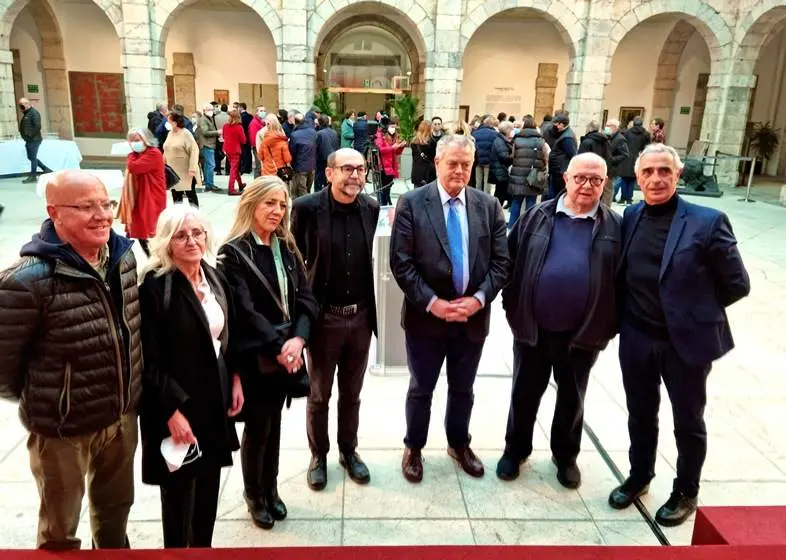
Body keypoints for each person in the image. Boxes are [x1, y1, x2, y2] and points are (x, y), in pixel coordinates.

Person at [609, 143, 750, 527]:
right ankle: (640, 475)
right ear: (637, 178)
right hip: (637, 337)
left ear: (678, 175)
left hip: (683, 344)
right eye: (648, 172)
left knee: (688, 420)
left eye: (664, 172)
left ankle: (686, 489)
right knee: (640, 414)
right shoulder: (632, 215)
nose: (656, 179)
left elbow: (737, 284)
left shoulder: (708, 221)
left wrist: (690, 313)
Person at [0, 170, 141, 549]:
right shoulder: (25, 281)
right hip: (64, 430)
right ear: (54, 213)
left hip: (121, 416)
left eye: (106, 203)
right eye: (86, 206)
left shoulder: (123, 258)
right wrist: (55, 398)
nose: (102, 215)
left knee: (115, 512)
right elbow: (4, 369)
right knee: (59, 529)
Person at [389, 135, 509, 483]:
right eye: (452, 163)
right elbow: (402, 262)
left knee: (463, 388)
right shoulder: (412, 203)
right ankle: (414, 446)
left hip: (471, 318)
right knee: (421, 388)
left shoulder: (488, 206)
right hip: (425, 319)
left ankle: (459, 443)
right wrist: (433, 303)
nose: (459, 170)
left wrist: (478, 299)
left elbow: (501, 263)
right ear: (438, 162)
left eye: (465, 164)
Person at [498, 153, 621, 486]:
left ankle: (565, 456)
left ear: (604, 183)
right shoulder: (536, 216)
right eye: (580, 177)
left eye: (595, 180)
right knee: (524, 392)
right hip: (532, 328)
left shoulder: (616, 227)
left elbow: (623, 283)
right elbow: (507, 263)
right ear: (566, 178)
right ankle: (515, 449)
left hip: (583, 334)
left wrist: (608, 324)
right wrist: (512, 307)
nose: (586, 185)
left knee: (572, 397)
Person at [139, 205, 244, 548]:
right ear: (166, 242)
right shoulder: (157, 287)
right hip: (178, 404)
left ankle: (203, 551)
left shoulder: (213, 276)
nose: (191, 241)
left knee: (208, 489)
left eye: (197, 233)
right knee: (180, 495)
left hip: (213, 401)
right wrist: (171, 412)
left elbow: (228, 336)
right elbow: (150, 360)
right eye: (181, 235)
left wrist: (236, 379)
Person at [218, 177, 318, 530]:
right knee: (258, 429)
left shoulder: (286, 247)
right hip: (257, 356)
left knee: (274, 426)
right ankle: (255, 495)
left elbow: (306, 299)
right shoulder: (232, 253)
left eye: (282, 205)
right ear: (251, 204)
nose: (277, 211)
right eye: (269, 204)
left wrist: (299, 341)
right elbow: (244, 312)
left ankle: (272, 489)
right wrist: (279, 348)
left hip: (287, 352)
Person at [291, 147, 380, 492]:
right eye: (347, 169)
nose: (355, 176)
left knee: (352, 394)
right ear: (329, 173)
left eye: (360, 169)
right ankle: (319, 455)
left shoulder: (371, 209)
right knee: (319, 395)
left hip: (360, 318)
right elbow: (295, 264)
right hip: (323, 319)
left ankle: (349, 451)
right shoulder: (306, 209)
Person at [121, 127, 166, 257]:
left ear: (146, 139)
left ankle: (156, 260)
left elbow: (134, 167)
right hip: (138, 196)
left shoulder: (153, 153)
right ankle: (152, 259)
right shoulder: (138, 155)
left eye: (137, 140)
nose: (134, 143)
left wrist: (130, 155)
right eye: (131, 140)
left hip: (151, 197)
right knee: (138, 230)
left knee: (147, 230)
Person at [508, 115, 549, 228]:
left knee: (516, 202)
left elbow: (512, 156)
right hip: (534, 176)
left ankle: (512, 227)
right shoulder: (540, 141)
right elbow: (545, 158)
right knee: (531, 203)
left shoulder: (517, 139)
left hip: (518, 176)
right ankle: (527, 227)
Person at [164, 112, 201, 207]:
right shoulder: (170, 134)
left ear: (175, 123)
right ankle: (178, 218)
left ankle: (194, 216)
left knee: (190, 194)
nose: (167, 123)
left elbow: (194, 150)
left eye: (169, 121)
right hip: (173, 171)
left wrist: (192, 168)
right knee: (176, 196)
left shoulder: (186, 133)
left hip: (186, 171)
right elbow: (166, 149)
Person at [616, 117, 651, 205]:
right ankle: (629, 198)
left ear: (634, 123)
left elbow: (622, 144)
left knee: (624, 179)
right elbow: (647, 147)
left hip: (626, 157)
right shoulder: (646, 134)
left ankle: (623, 197)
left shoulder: (627, 133)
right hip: (637, 157)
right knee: (632, 179)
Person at [18, 98, 51, 183]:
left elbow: (37, 126)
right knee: (31, 157)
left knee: (32, 158)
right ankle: (46, 169)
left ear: (28, 104)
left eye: (22, 104)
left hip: (34, 140)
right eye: (20, 104)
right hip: (29, 140)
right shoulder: (27, 113)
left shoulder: (34, 113)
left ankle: (33, 176)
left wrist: (29, 136)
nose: (21, 106)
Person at [546, 113, 577, 201]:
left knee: (558, 193)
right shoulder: (564, 134)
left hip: (560, 170)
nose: (554, 125)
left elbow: (571, 154)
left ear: (561, 124)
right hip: (558, 169)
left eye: (556, 123)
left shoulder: (567, 138)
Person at [375, 119, 406, 206]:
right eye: (392, 127)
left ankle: (387, 203)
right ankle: (383, 205)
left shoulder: (395, 136)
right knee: (383, 188)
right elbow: (380, 149)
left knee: (388, 188)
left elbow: (396, 152)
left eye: (395, 127)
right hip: (383, 166)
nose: (393, 129)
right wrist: (393, 147)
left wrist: (401, 147)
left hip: (391, 166)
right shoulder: (380, 135)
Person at [289, 111, 318, 199]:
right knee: (308, 189)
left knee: (302, 191)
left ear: (295, 122)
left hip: (300, 167)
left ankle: (306, 210)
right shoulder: (313, 132)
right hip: (312, 165)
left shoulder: (294, 135)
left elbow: (292, 151)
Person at [196, 103, 222, 193]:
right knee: (211, 165)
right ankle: (210, 185)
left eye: (212, 109)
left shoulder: (208, 118)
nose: (211, 111)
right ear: (204, 110)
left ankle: (208, 184)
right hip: (207, 145)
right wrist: (217, 132)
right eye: (209, 109)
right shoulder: (203, 119)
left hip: (209, 144)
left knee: (207, 166)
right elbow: (205, 132)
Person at [604, 119, 630, 206]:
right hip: (604, 167)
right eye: (606, 125)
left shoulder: (620, 139)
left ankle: (606, 209)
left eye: (608, 126)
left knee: (608, 190)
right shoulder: (607, 136)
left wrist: (611, 159)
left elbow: (625, 154)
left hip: (611, 169)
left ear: (614, 127)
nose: (606, 127)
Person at [471, 115, 498, 194]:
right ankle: (486, 200)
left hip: (477, 161)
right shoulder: (495, 134)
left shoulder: (475, 133)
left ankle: (476, 199)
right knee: (487, 184)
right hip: (489, 162)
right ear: (491, 124)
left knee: (478, 183)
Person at [222, 109, 247, 196]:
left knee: (234, 169)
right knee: (233, 170)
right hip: (235, 150)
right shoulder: (239, 127)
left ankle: (240, 184)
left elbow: (224, 136)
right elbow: (243, 141)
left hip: (227, 149)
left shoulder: (225, 126)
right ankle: (231, 189)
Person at [490, 121, 514, 208]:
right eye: (511, 129)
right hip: (500, 172)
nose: (512, 131)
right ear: (507, 130)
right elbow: (504, 158)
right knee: (500, 196)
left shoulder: (502, 139)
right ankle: (494, 215)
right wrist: (513, 155)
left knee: (501, 194)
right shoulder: (500, 141)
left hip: (500, 171)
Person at [315, 115, 340, 190]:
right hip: (333, 158)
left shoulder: (319, 133)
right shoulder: (334, 132)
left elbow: (317, 148)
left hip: (322, 160)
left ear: (319, 123)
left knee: (320, 180)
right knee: (330, 178)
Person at [411, 121, 436, 187]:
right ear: (429, 129)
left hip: (417, 174)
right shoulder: (431, 142)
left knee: (417, 195)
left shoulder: (414, 142)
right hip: (428, 174)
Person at [249, 106, 267, 178]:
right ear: (257, 112)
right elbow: (253, 139)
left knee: (261, 167)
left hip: (263, 148)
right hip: (258, 148)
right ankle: (256, 184)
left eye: (264, 111)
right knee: (259, 167)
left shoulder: (262, 122)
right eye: (261, 111)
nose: (263, 112)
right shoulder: (254, 123)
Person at [239, 103, 254, 175]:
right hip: (249, 136)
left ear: (241, 108)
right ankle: (249, 168)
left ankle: (244, 168)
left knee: (243, 153)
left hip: (242, 137)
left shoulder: (240, 117)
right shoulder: (250, 116)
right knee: (248, 153)